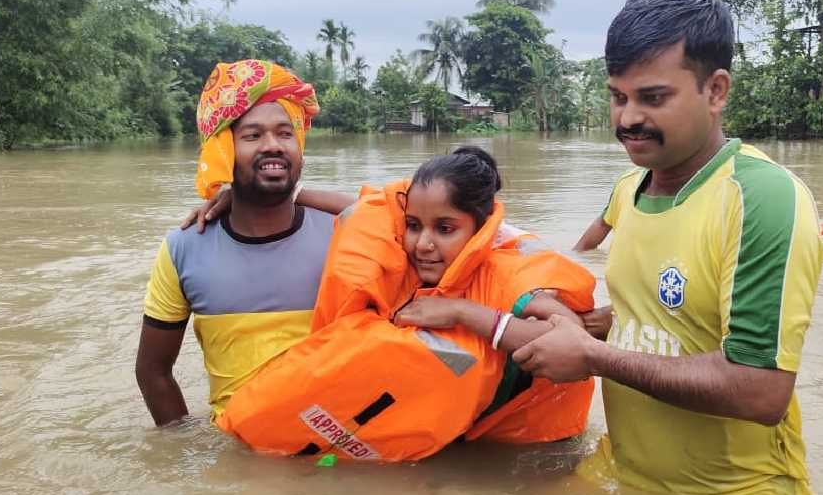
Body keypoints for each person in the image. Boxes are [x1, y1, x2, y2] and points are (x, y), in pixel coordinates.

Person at [513, 0, 823, 495]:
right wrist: (581, 323)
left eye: (652, 98)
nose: (628, 118)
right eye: (618, 96)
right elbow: (660, 311)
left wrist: (593, 357)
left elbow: (760, 389)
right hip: (619, 472)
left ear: (716, 90)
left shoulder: (761, 199)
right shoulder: (630, 190)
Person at [217, 146, 597, 460]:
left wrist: (461, 312)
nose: (423, 244)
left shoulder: (511, 273)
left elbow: (570, 338)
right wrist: (247, 198)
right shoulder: (407, 250)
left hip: (529, 454)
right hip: (461, 442)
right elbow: (356, 209)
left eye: (444, 229)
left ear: (480, 228)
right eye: (414, 225)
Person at [136, 60, 343, 425]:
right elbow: (153, 371)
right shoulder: (185, 247)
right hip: (237, 453)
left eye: (285, 133)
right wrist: (180, 453)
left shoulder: (344, 232)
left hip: (335, 451)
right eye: (252, 136)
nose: (273, 146)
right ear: (223, 151)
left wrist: (300, 194)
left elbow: (405, 208)